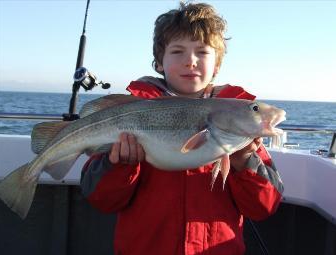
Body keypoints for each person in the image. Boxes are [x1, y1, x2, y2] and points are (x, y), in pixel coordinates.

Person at [80, 2, 284, 255]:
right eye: (177, 51)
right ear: (159, 62)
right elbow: (101, 199)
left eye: (202, 52)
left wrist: (244, 161)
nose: (190, 61)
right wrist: (119, 164)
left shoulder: (240, 128)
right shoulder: (134, 109)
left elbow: (264, 207)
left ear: (217, 65)